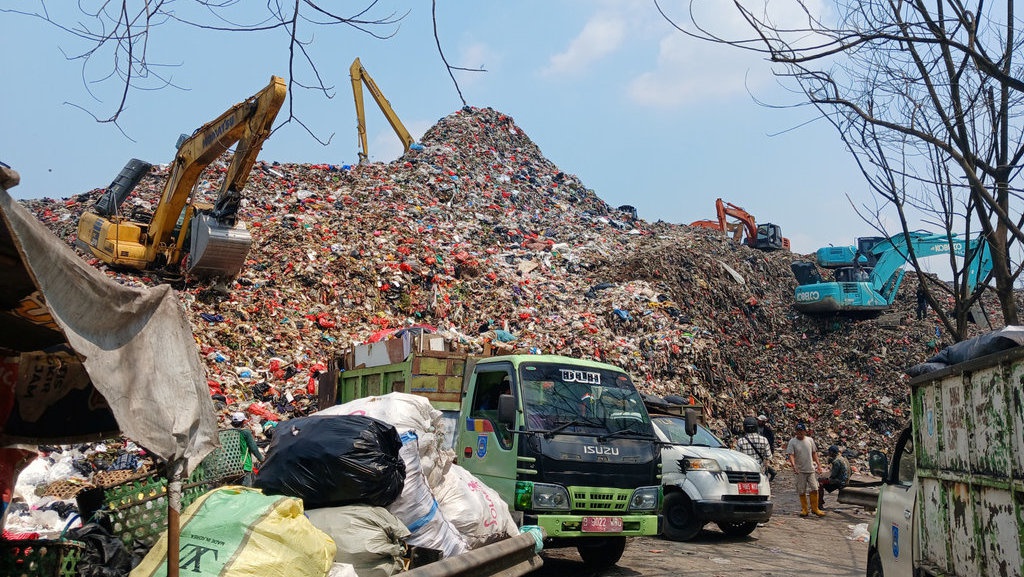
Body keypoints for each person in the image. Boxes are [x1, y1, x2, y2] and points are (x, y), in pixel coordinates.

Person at [785, 423, 825, 517]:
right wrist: (793, 466)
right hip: (800, 470)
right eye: (798, 431)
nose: (800, 433)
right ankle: (805, 509)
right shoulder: (792, 442)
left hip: (810, 469)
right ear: (796, 432)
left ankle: (815, 508)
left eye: (801, 431)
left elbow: (814, 453)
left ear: (805, 431)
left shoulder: (809, 440)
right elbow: (791, 455)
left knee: (815, 488)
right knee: (801, 490)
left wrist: (819, 465)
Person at [735, 416, 774, 481]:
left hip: (746, 472)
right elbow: (769, 457)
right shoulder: (764, 440)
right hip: (760, 472)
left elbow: (737, 458)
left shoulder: (740, 441)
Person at [230, 412, 264, 486]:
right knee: (245, 490)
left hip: (231, 464)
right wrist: (262, 459)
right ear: (243, 421)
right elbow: (253, 448)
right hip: (244, 464)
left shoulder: (229, 432)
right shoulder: (245, 432)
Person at [817, 445, 850, 510]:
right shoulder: (843, 458)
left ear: (832, 453)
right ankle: (820, 501)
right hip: (845, 479)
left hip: (840, 482)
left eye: (829, 452)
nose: (828, 454)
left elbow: (833, 475)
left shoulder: (836, 461)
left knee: (820, 482)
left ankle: (820, 503)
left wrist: (825, 477)